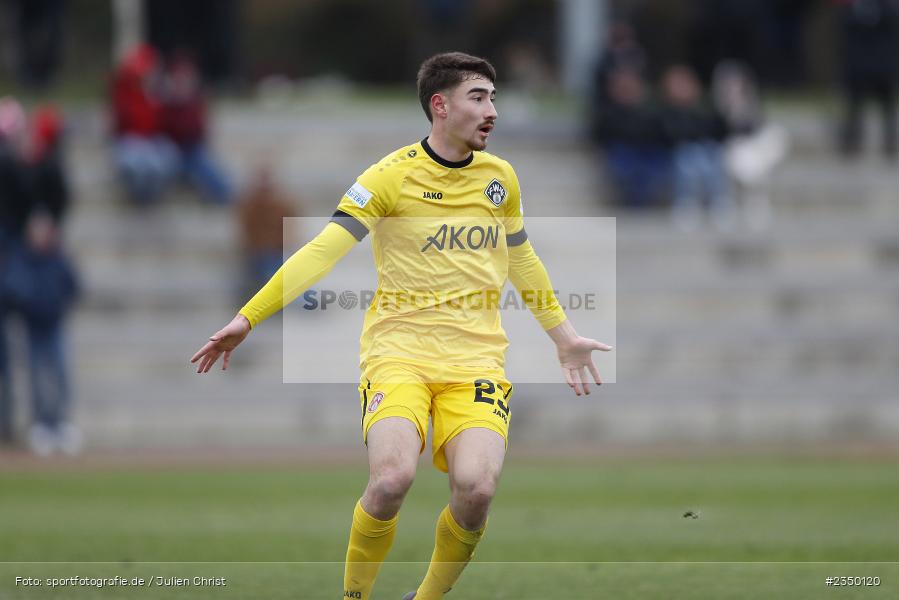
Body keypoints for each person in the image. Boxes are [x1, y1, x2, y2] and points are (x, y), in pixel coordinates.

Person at [191, 52, 612, 599]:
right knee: (391, 480)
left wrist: (564, 336)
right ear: (440, 106)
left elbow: (521, 257)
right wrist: (248, 317)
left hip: (476, 362)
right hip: (398, 355)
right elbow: (322, 250)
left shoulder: (500, 179)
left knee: (477, 489)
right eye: (478, 97)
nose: (492, 111)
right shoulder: (388, 176)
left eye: (493, 98)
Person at [660, 64, 734, 231]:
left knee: (712, 154)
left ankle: (719, 202)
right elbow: (672, 135)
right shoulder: (666, 111)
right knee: (688, 155)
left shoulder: (705, 108)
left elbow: (719, 132)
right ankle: (686, 202)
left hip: (704, 152)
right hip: (674, 156)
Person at [836, 0, 899, 159]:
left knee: (887, 107)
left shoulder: (888, 8)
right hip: (859, 66)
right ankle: (851, 142)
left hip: (882, 66)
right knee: (855, 107)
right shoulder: (852, 8)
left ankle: (890, 143)